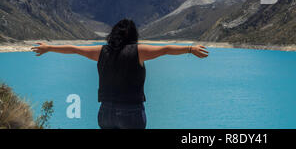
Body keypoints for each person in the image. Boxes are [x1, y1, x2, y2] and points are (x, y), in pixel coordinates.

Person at [31, 19, 209, 129]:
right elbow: (165, 50)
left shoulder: (101, 52)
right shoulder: (139, 51)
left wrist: (49, 48)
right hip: (131, 113)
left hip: (105, 112)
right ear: (133, 36)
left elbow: (75, 49)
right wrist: (190, 49)